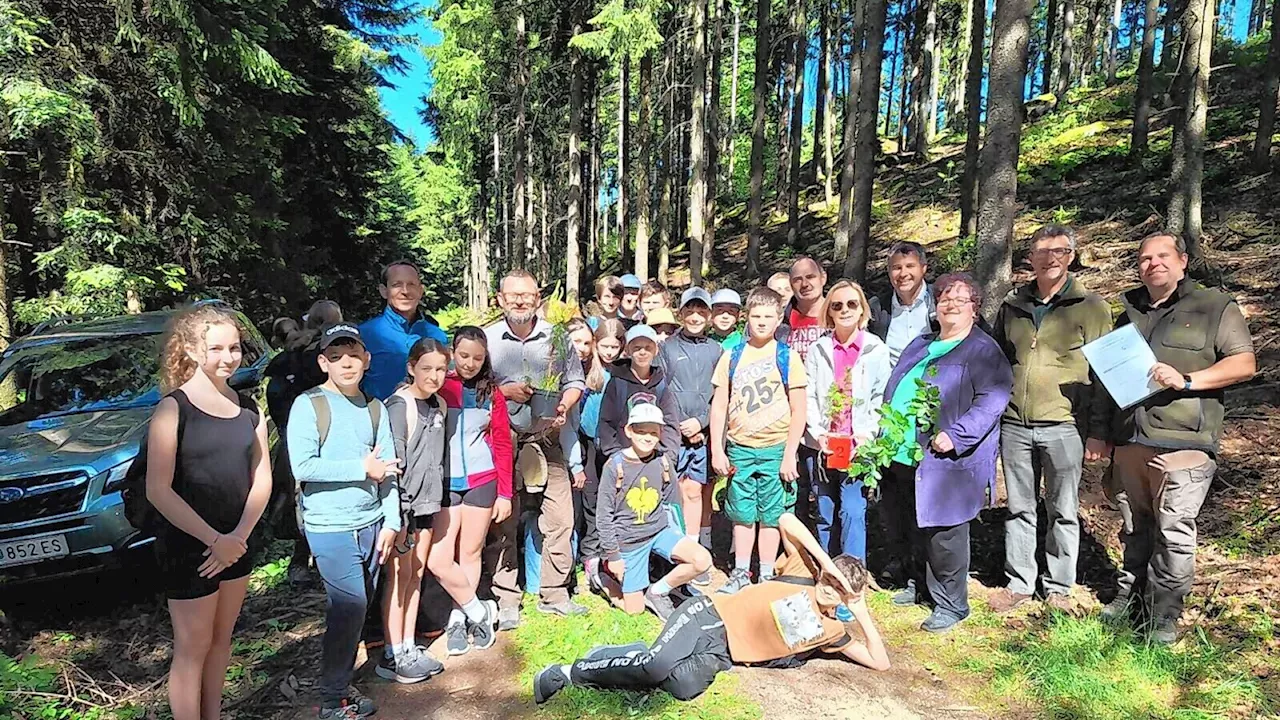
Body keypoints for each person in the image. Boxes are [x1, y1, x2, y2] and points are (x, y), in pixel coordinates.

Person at [531, 512, 890, 705]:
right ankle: (568, 671)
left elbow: (880, 662)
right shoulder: (804, 572)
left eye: (838, 592)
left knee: (680, 687)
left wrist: (860, 611)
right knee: (657, 666)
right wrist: (824, 562)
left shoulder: (833, 633)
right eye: (830, 582)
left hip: (724, 655)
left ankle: (622, 656)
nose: (829, 591)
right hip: (710, 615)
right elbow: (786, 521)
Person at [1099, 233, 1256, 643]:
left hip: (1183, 443)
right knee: (1134, 528)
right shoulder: (1129, 312)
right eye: (1144, 258)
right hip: (1131, 438)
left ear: (1183, 261)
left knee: (1173, 532)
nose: (1153, 264)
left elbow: (1243, 363)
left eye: (1162, 256)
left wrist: (1187, 381)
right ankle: (1129, 598)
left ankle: (1163, 618)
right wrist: (1105, 434)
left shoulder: (1214, 306)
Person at [146, 305, 273, 720]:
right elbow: (158, 490)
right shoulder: (173, 408)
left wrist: (237, 537)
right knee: (193, 646)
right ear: (192, 350)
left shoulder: (249, 408)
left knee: (221, 641)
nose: (227, 357)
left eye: (234, 347)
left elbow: (262, 478)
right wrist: (214, 540)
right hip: (190, 549)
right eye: (216, 347)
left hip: (236, 545)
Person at [988, 226, 1114, 615]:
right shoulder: (1013, 305)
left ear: (1071, 257)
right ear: (1031, 258)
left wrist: (1098, 432)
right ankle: (1019, 583)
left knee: (1062, 509)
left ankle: (1059, 586)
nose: (1050, 258)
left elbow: (1104, 376)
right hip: (1016, 424)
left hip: (1065, 425)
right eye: (1042, 251)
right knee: (1020, 508)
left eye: (1059, 251)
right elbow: (997, 362)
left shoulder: (1091, 307)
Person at [880, 274, 1012, 633]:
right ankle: (919, 585)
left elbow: (993, 399)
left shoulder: (982, 350)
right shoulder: (921, 344)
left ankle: (952, 604)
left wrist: (956, 435)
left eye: (959, 299)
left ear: (975, 308)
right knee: (911, 521)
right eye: (944, 298)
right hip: (904, 452)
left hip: (947, 457)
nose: (950, 304)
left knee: (944, 531)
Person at [288, 323, 402, 719]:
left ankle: (340, 685)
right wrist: (360, 467)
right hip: (329, 526)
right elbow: (302, 465)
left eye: (353, 354)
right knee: (348, 606)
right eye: (336, 356)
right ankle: (332, 698)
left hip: (371, 523)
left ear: (366, 359)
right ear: (323, 362)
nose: (346, 363)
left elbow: (386, 469)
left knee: (357, 607)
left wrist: (391, 522)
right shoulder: (309, 405)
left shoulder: (375, 408)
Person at [484, 270, 587, 624]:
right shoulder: (487, 340)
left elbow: (575, 380)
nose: (520, 301)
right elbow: (467, 386)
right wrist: (503, 392)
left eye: (527, 295)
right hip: (504, 442)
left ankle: (554, 593)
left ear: (537, 298)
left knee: (561, 517)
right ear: (499, 299)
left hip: (547, 438)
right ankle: (506, 597)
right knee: (505, 519)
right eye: (513, 295)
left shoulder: (557, 337)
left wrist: (564, 405)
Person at [710, 288, 809, 595]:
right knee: (741, 512)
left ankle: (766, 571)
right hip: (740, 447)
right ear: (746, 319)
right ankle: (741, 570)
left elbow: (799, 408)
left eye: (769, 316)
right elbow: (719, 404)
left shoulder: (787, 357)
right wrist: (717, 448)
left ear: (779, 318)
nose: (762, 322)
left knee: (771, 513)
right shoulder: (733, 356)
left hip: (776, 448)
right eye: (756, 316)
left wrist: (790, 453)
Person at [432, 327, 511, 654]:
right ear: (452, 353)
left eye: (477, 358)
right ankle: (478, 610)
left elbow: (503, 444)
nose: (470, 363)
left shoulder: (491, 393)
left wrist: (505, 493)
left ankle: (458, 617)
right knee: (440, 557)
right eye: (464, 356)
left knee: (470, 552)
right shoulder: (439, 387)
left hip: (482, 481)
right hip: (445, 482)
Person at [597, 403, 713, 620]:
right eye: (641, 431)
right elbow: (603, 515)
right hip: (630, 541)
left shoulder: (663, 461)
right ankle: (602, 576)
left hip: (660, 532)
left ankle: (657, 591)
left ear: (660, 433)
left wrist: (680, 536)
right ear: (629, 431)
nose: (648, 437)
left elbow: (673, 503)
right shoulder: (615, 466)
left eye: (653, 432)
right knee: (634, 610)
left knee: (701, 559)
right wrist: (612, 555)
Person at [379, 339, 450, 684]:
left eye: (440, 369)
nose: (434, 376)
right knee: (398, 577)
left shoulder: (439, 405)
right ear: (411, 368)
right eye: (427, 368)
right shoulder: (398, 405)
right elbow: (393, 463)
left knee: (416, 574)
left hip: (427, 502)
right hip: (402, 505)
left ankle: (409, 644)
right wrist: (397, 512)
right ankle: (392, 653)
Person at [803, 280, 891, 560]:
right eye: (837, 305)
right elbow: (809, 395)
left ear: (862, 309)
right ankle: (827, 569)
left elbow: (881, 396)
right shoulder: (819, 349)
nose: (844, 310)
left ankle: (853, 573)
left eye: (852, 304)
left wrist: (869, 434)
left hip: (859, 445)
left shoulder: (876, 349)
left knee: (853, 509)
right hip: (824, 444)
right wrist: (817, 434)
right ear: (829, 312)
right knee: (825, 509)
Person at [264, 300, 344, 584]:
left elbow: (274, 399)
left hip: (290, 437)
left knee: (298, 496)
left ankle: (300, 563)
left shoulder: (285, 358)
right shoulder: (323, 356)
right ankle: (324, 563)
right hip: (325, 434)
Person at [657, 287, 723, 584]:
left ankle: (696, 554)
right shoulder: (667, 348)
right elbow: (660, 389)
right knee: (671, 492)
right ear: (680, 314)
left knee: (694, 492)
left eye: (701, 311)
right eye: (690, 311)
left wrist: (701, 423)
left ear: (708, 316)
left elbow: (720, 396)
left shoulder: (716, 351)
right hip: (671, 433)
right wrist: (679, 423)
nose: (695, 316)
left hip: (702, 435)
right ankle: (672, 552)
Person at [777, 258, 829, 533]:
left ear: (823, 277)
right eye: (798, 279)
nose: (805, 283)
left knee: (823, 494)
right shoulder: (783, 323)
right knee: (792, 490)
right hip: (786, 417)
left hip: (828, 417)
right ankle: (792, 552)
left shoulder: (838, 315)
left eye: (810, 276)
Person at [576, 319, 627, 591]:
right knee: (591, 499)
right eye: (605, 346)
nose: (609, 352)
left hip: (613, 443)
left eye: (614, 346)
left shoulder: (623, 371)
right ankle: (590, 555)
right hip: (587, 442)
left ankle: (614, 553)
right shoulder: (587, 370)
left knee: (614, 498)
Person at [359, 260, 448, 400]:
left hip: (428, 418)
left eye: (411, 285)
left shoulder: (438, 337)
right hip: (379, 418)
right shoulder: (366, 334)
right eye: (397, 285)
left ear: (420, 290)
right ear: (384, 291)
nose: (405, 291)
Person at [597, 325, 682, 462]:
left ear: (656, 350)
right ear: (628, 350)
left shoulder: (660, 384)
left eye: (648, 348)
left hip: (654, 460)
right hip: (622, 457)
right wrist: (616, 457)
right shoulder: (617, 383)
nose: (642, 352)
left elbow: (670, 423)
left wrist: (667, 457)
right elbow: (606, 423)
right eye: (637, 348)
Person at [868, 242, 936, 367]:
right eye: (897, 268)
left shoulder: (940, 301)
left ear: (923, 268)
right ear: (889, 272)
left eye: (910, 266)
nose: (903, 274)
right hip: (892, 382)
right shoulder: (878, 308)